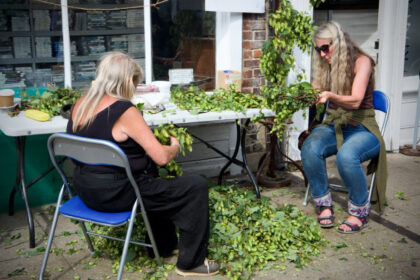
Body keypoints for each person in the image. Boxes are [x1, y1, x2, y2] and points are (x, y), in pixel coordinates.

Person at [67, 51, 220, 276]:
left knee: (151, 177)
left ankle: (163, 247)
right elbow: (161, 157)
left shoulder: (80, 104)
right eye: (136, 83)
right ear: (128, 81)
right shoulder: (124, 110)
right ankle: (192, 263)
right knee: (194, 186)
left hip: (85, 190)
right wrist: (175, 147)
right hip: (118, 194)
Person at [301, 21, 387, 234]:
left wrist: (329, 95)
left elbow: (356, 100)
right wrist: (306, 95)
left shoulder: (362, 62)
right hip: (335, 124)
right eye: (318, 49)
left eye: (325, 48)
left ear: (337, 44)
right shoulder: (326, 66)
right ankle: (323, 204)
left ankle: (359, 211)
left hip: (362, 127)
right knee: (310, 148)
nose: (322, 54)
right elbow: (314, 90)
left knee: (346, 156)